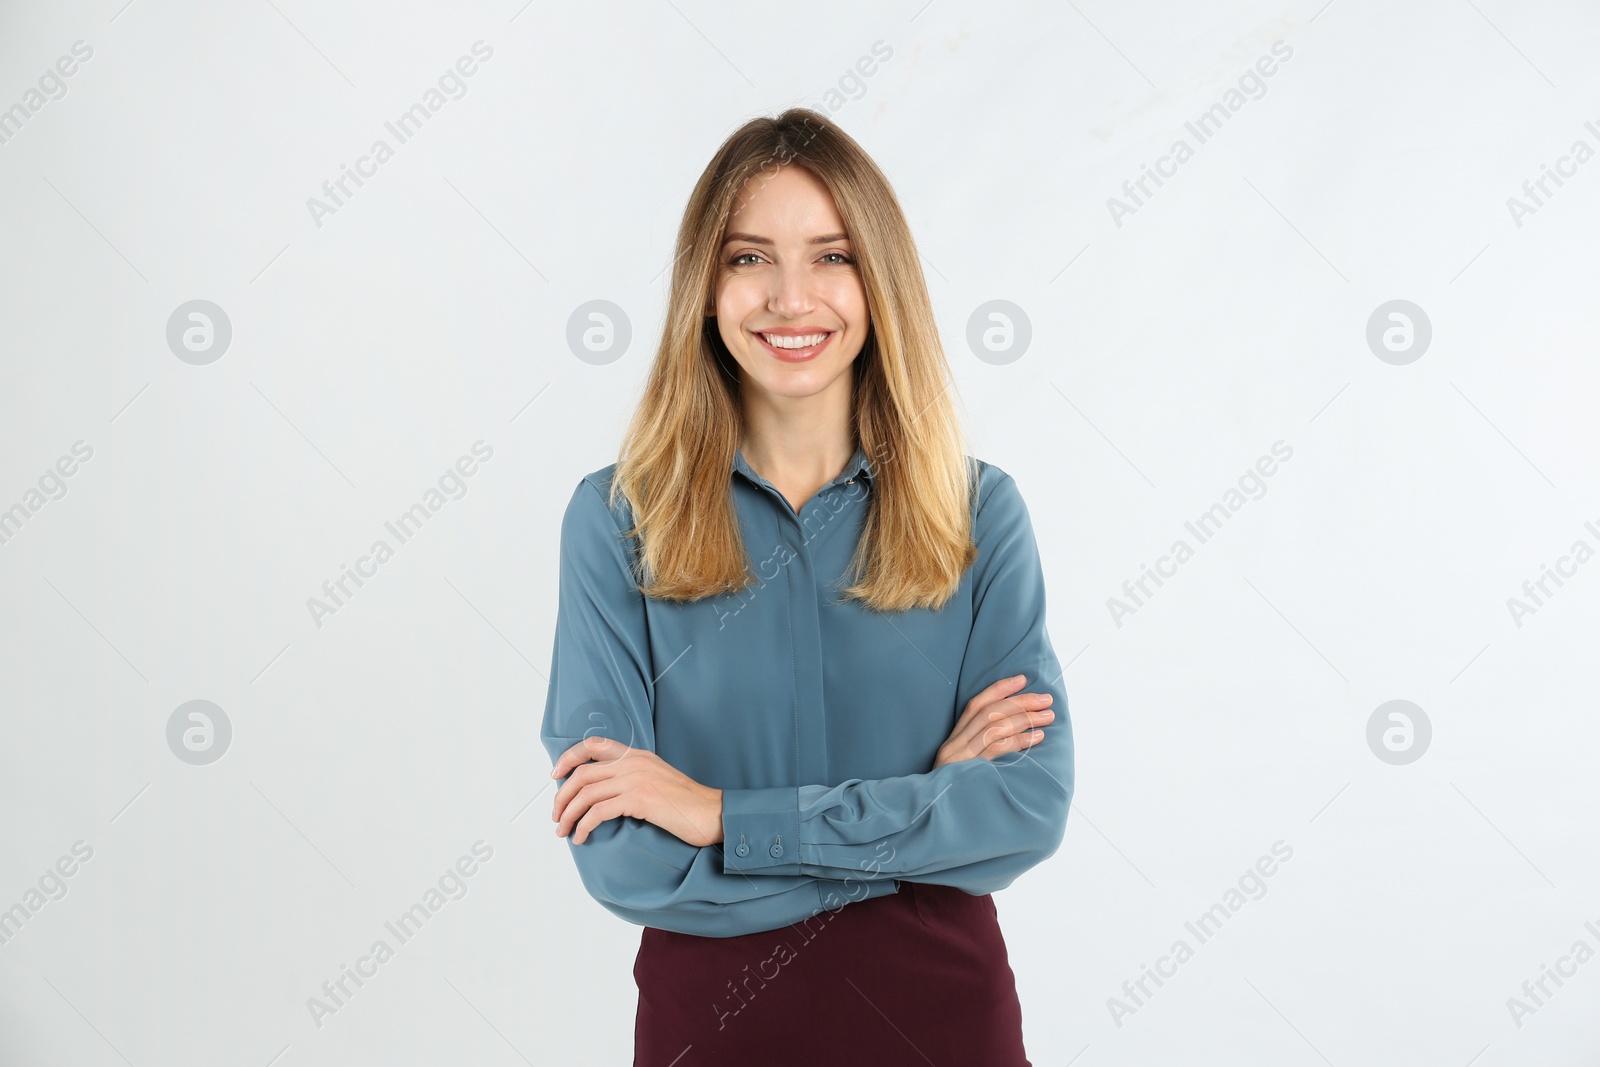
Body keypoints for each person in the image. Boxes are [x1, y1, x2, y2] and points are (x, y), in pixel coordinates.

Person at [542, 107, 1073, 1066]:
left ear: (880, 284)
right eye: (750, 258)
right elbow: (621, 856)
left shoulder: (977, 514)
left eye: (831, 256)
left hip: (942, 1025)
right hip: (710, 1032)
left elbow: (1022, 810)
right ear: (704, 288)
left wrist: (719, 816)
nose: (792, 298)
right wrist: (922, 808)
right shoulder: (615, 522)